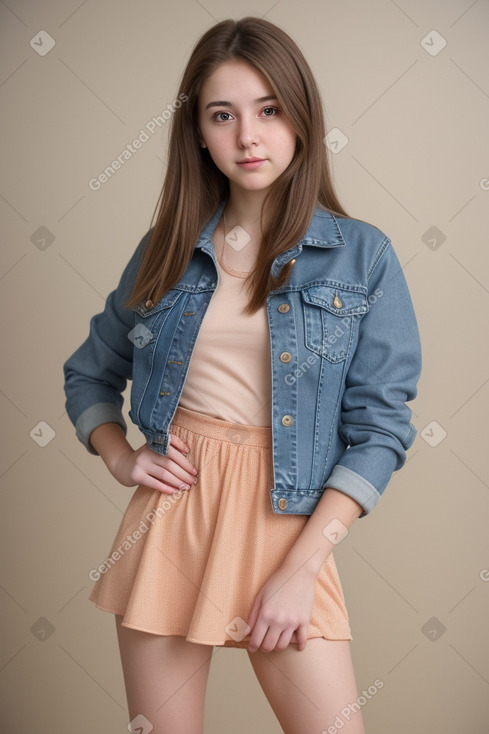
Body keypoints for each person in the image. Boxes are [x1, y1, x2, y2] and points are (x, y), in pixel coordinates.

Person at [63, 16, 421, 734]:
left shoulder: (363, 257)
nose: (246, 137)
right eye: (221, 115)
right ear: (197, 131)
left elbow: (380, 431)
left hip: (289, 525)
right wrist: (120, 456)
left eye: (268, 110)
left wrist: (299, 569)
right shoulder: (163, 252)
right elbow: (89, 375)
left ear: (300, 120)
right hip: (171, 523)